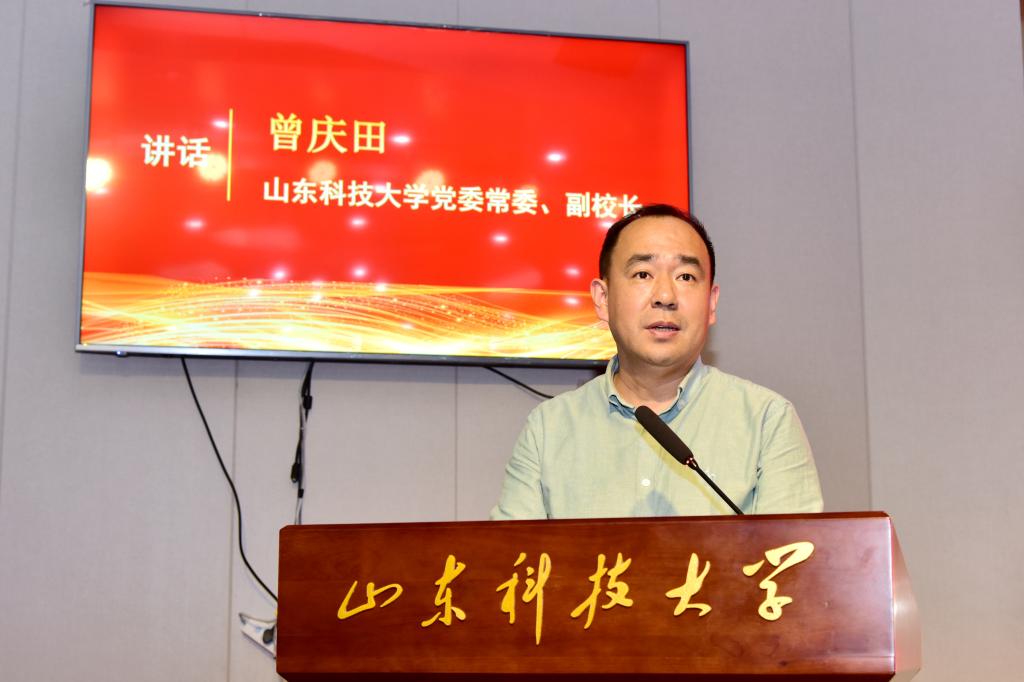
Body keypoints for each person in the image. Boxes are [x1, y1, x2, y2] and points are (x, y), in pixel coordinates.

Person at [491, 204, 823, 519]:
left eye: (686, 277)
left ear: (711, 303)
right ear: (603, 299)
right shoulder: (548, 429)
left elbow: (794, 556)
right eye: (642, 274)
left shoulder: (767, 421)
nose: (665, 296)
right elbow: (509, 556)